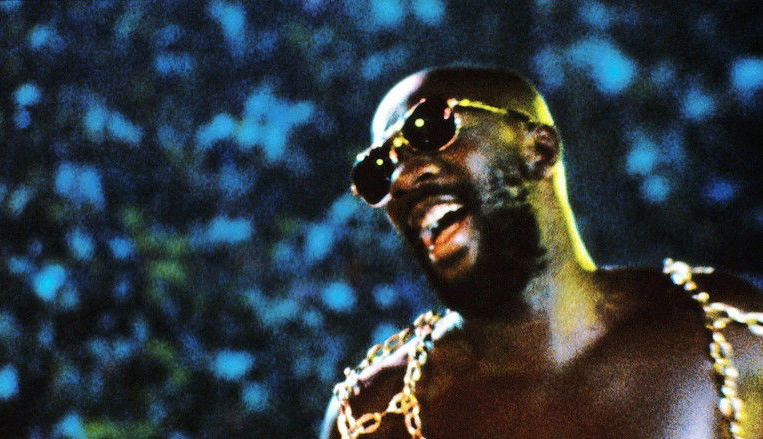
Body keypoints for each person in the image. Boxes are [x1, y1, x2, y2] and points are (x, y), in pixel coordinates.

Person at [320, 67, 763, 439]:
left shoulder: (727, 332)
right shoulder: (372, 418)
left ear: (540, 150)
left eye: (431, 128)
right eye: (377, 171)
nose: (399, 179)